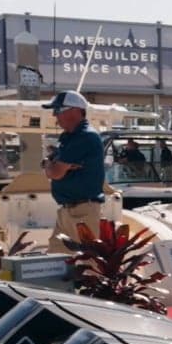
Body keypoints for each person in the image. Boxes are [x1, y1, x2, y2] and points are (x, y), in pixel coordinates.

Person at [41, 91, 106, 243]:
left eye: (58, 110)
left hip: (82, 211)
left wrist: (48, 164)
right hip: (69, 210)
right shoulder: (70, 137)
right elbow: (55, 167)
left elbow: (55, 173)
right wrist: (53, 164)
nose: (54, 115)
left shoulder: (84, 136)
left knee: (85, 257)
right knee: (56, 255)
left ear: (75, 111)